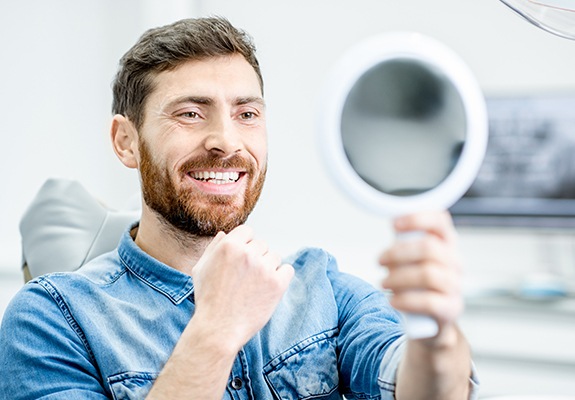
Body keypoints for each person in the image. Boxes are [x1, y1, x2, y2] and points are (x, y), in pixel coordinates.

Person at [0, 16, 478, 399]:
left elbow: (422, 389)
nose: (226, 141)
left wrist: (435, 337)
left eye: (246, 114)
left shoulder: (321, 286)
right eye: (190, 113)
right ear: (126, 142)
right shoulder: (51, 318)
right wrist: (215, 329)